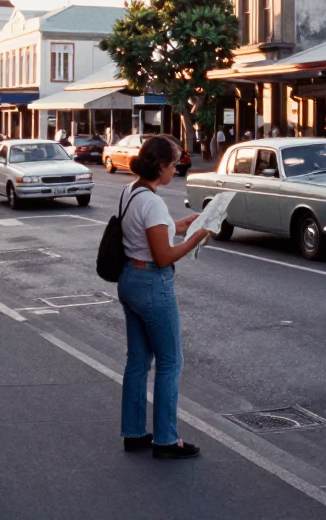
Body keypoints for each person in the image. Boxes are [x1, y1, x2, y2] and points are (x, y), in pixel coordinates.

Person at [117, 135, 210, 459]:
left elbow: (149, 233)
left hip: (130, 277)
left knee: (138, 361)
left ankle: (134, 432)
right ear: (160, 165)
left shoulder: (131, 191)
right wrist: (196, 238)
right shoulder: (153, 201)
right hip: (152, 283)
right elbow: (163, 256)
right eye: (173, 164)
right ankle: (167, 441)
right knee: (170, 363)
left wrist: (180, 225)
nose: (177, 168)